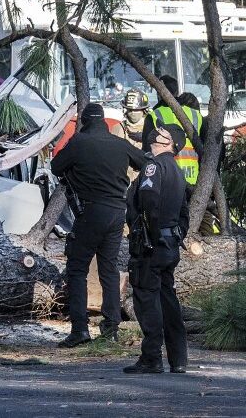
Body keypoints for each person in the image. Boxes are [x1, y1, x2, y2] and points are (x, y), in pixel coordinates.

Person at [50, 104, 147, 348]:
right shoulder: (119, 144)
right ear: (103, 121)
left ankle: (80, 330)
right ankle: (111, 328)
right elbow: (144, 163)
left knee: (77, 269)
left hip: (91, 212)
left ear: (84, 121)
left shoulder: (79, 142)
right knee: (109, 270)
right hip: (117, 213)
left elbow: (55, 167)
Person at [125, 124, 190, 374]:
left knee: (147, 299)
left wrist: (149, 237)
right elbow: (184, 212)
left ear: (168, 142)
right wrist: (174, 236)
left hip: (151, 247)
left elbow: (149, 202)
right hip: (169, 244)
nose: (154, 133)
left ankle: (151, 358)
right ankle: (178, 359)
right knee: (168, 299)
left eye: (160, 131)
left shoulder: (154, 167)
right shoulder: (176, 170)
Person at [141, 75, 204, 186]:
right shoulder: (196, 115)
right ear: (176, 92)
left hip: (167, 180)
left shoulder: (154, 115)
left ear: (159, 93)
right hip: (194, 180)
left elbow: (147, 152)